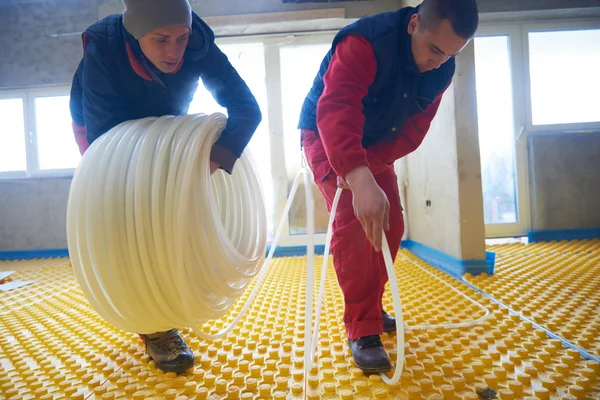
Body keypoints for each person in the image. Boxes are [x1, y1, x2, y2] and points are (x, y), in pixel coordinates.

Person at [69, 0, 262, 373]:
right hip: (106, 134)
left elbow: (246, 109)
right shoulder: (103, 48)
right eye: (161, 40)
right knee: (130, 221)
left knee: (172, 215)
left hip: (165, 118)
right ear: (136, 33)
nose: (175, 51)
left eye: (181, 38)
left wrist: (206, 164)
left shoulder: (197, 41)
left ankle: (169, 294)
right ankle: (154, 325)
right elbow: (105, 143)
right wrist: (152, 179)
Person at [298, 0, 478, 373]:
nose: (439, 61)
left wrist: (372, 166)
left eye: (450, 54)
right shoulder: (364, 43)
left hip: (376, 144)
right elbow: (337, 111)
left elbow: (414, 129)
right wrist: (357, 175)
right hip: (326, 134)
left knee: (390, 223)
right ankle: (361, 329)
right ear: (414, 24)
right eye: (434, 49)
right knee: (355, 226)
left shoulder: (441, 69)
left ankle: (371, 306)